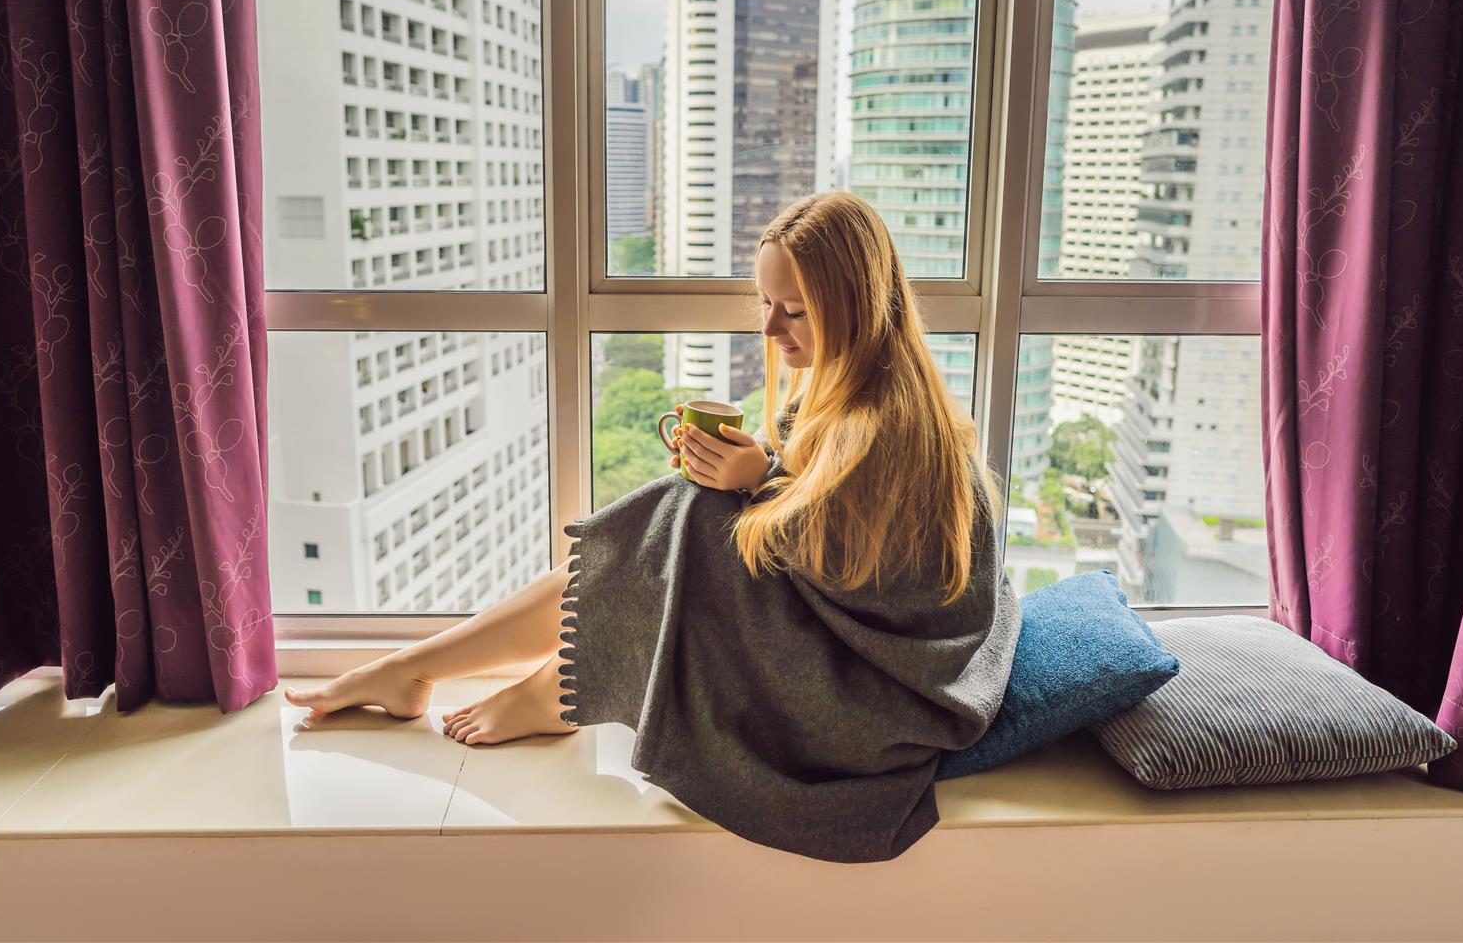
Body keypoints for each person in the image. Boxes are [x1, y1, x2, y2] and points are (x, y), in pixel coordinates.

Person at [285, 192, 1021, 863]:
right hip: (853, 661)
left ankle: (499, 685)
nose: (770, 328)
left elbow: (886, 587)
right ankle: (458, 674)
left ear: (854, 304)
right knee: (688, 509)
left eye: (793, 310)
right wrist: (762, 466)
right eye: (765, 303)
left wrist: (757, 480)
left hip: (878, 704)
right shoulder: (850, 389)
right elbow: (830, 516)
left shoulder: (888, 423)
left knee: (696, 514)